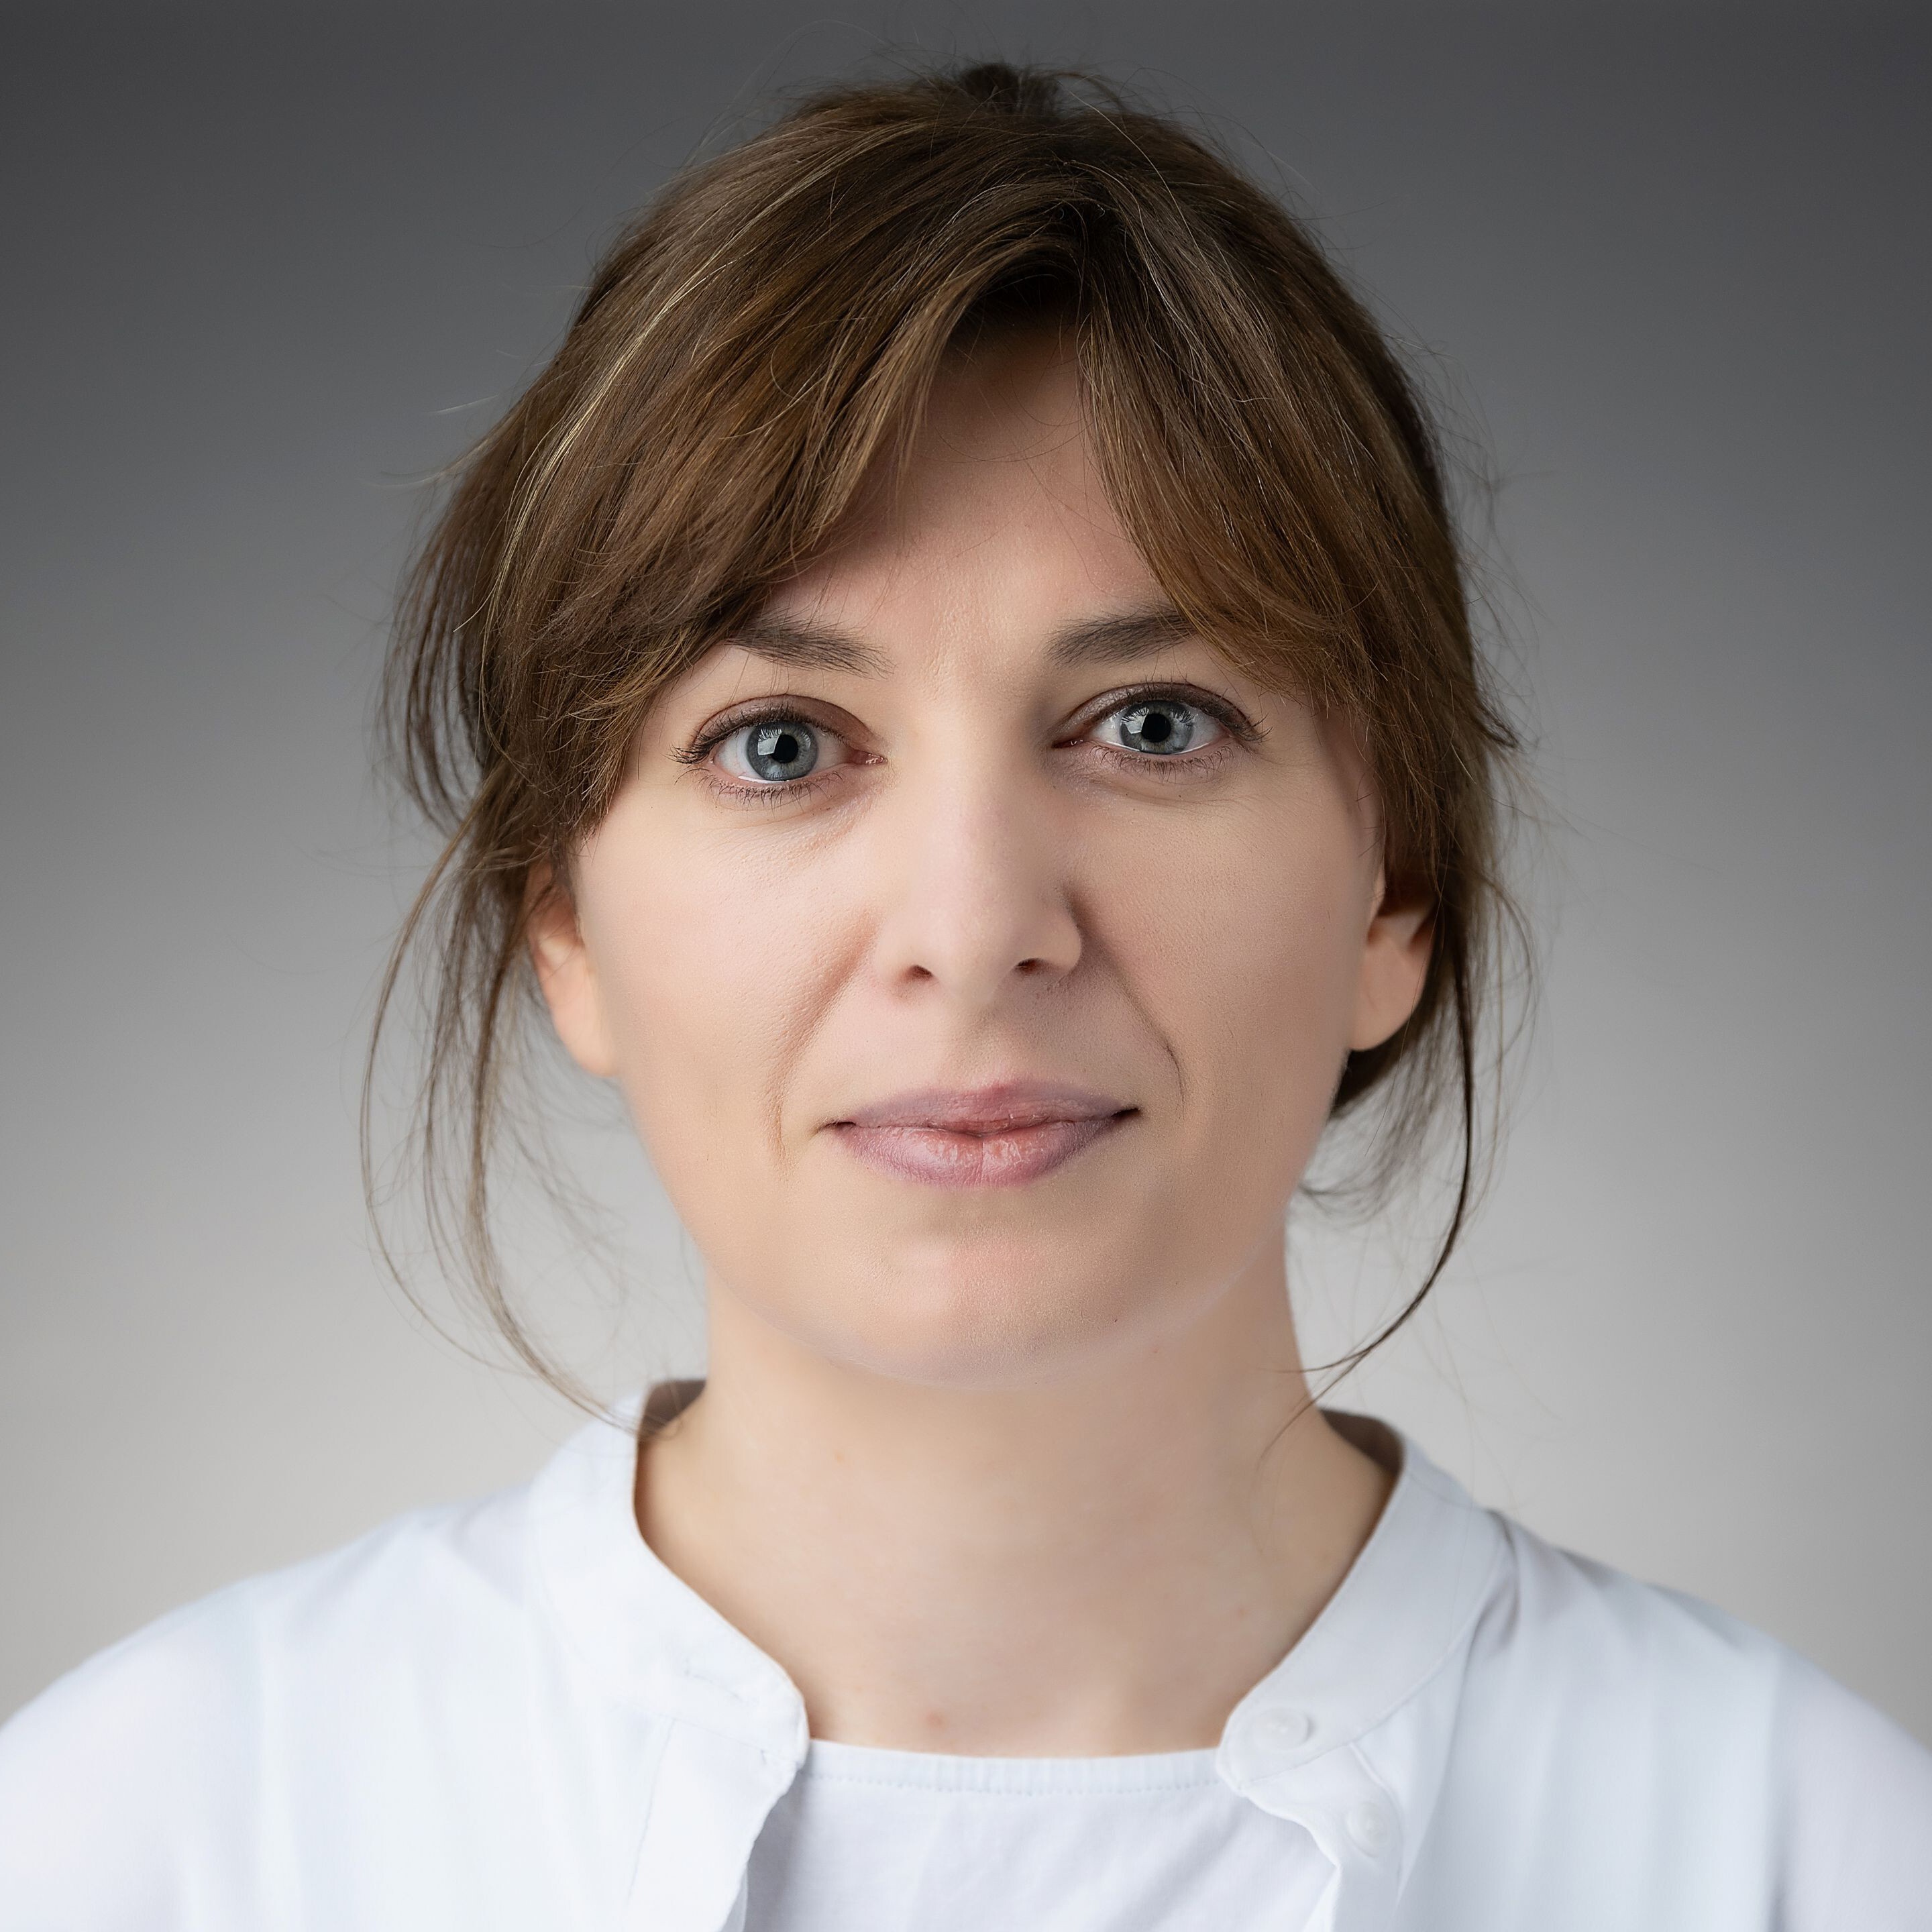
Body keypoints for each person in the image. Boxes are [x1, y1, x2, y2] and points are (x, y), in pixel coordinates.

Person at [1, 58, 1925, 1932]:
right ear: (561, 923)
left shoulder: (1813, 1855)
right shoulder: (146, 1834)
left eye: (1152, 725)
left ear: (1393, 891)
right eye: (780, 745)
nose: (976, 921)